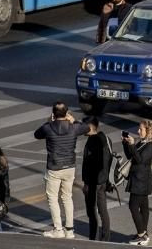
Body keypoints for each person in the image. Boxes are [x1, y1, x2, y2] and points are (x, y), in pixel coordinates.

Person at [34, 101, 91, 238]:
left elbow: (37, 134)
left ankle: (58, 229)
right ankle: (70, 230)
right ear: (66, 113)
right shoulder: (74, 127)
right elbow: (87, 128)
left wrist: (49, 121)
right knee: (67, 197)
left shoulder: (48, 127)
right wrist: (74, 120)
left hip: (54, 167)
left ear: (53, 114)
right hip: (69, 167)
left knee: (53, 198)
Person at [122, 120, 152, 246]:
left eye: (141, 129)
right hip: (137, 179)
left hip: (141, 181)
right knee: (143, 207)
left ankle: (141, 234)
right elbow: (130, 156)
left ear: (148, 131)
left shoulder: (151, 146)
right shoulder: (142, 143)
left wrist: (132, 145)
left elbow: (140, 160)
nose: (138, 131)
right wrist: (126, 143)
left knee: (133, 206)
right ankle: (143, 233)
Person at [81, 116, 111, 241]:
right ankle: (105, 238)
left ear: (90, 127)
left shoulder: (94, 142)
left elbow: (90, 164)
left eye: (83, 127)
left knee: (92, 211)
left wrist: (87, 184)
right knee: (103, 211)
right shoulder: (105, 138)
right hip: (103, 180)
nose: (81, 129)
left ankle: (93, 237)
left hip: (94, 182)